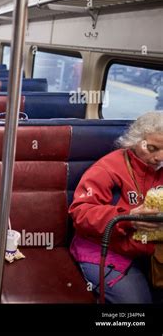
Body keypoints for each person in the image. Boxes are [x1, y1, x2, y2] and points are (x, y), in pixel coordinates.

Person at [69, 111, 163, 303]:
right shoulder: (108, 168)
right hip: (106, 248)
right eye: (151, 148)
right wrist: (129, 217)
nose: (158, 158)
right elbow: (81, 213)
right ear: (135, 141)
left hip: (153, 250)